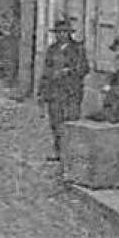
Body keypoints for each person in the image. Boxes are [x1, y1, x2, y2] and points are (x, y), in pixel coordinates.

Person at [39, 20, 90, 161]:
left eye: (64, 32)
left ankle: (70, 152)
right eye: (58, 33)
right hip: (54, 91)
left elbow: (84, 68)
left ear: (69, 34)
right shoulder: (52, 50)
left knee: (70, 121)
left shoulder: (78, 49)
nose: (61, 35)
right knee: (55, 123)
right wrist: (42, 92)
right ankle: (58, 151)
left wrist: (68, 71)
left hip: (71, 92)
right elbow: (46, 71)